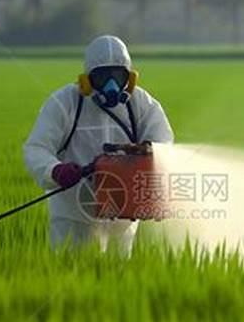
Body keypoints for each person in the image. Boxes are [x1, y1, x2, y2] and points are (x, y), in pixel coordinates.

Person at [23, 35, 174, 252]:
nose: (111, 85)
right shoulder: (64, 102)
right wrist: (55, 171)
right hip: (73, 218)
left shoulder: (142, 105)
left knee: (115, 281)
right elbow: (36, 148)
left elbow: (163, 147)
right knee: (69, 278)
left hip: (122, 220)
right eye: (103, 77)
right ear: (87, 80)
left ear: (129, 79)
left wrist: (155, 186)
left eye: (117, 76)